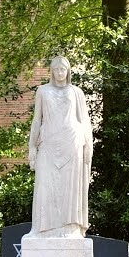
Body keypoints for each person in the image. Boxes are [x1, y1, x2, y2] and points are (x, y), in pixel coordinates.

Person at [27, 56, 93, 238]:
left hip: (72, 142)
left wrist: (88, 146)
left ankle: (70, 228)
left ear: (68, 71)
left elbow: (85, 120)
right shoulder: (42, 91)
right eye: (56, 69)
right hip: (47, 143)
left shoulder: (77, 92)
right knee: (44, 185)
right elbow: (36, 120)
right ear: (52, 71)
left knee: (70, 188)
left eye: (63, 69)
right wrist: (32, 147)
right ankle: (41, 229)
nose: (60, 73)